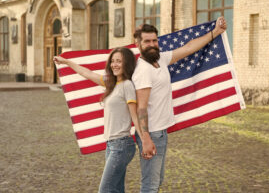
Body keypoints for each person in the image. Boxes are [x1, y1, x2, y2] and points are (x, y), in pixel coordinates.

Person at [132, 16, 227, 193]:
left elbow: (187, 49)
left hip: (160, 132)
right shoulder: (143, 70)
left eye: (154, 40)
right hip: (151, 132)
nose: (152, 44)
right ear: (138, 44)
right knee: (150, 185)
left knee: (156, 181)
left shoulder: (159, 59)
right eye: (147, 41)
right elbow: (141, 108)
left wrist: (215, 32)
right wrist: (145, 138)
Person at [53, 47, 143, 193]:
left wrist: (144, 140)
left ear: (127, 64)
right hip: (111, 145)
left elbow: (135, 116)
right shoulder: (110, 83)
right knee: (116, 189)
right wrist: (66, 62)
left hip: (122, 145)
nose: (114, 64)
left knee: (105, 189)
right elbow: (86, 73)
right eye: (113, 61)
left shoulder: (127, 85)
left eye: (119, 61)